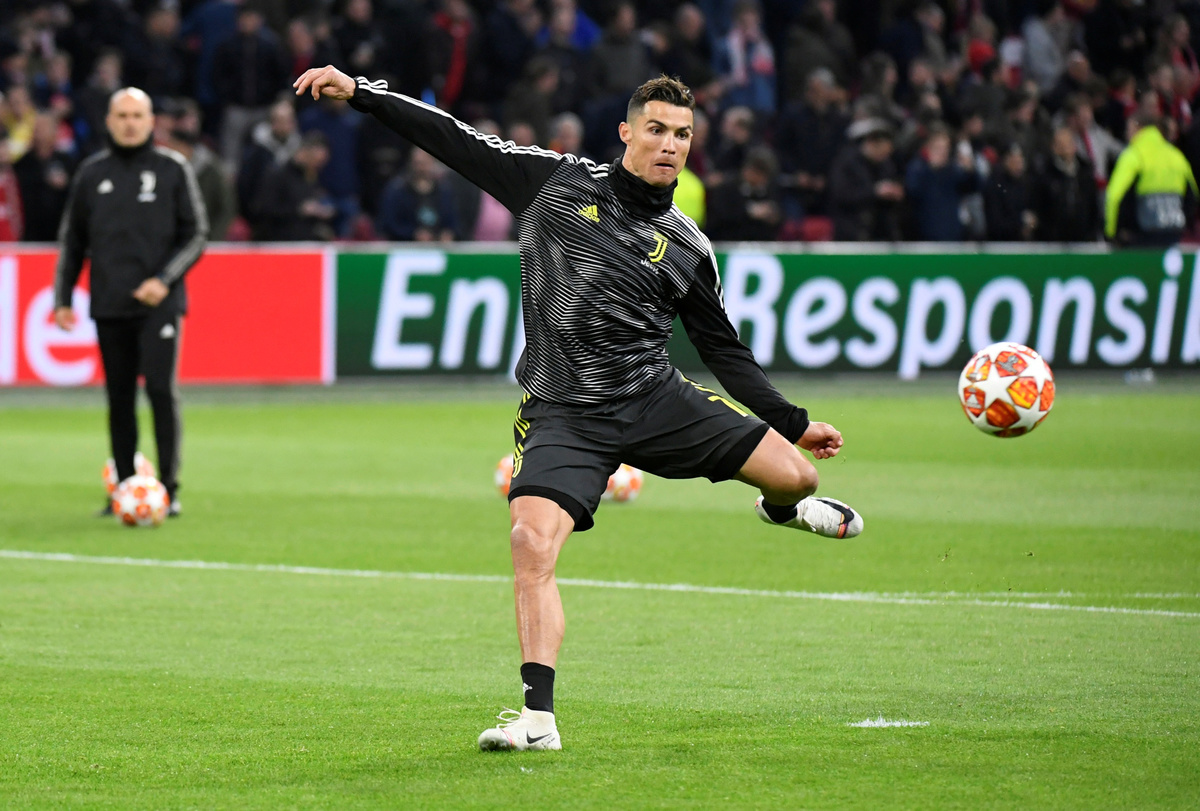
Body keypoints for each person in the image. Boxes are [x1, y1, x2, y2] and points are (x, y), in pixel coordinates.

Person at [294, 65, 864, 752]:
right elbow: (454, 138)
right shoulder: (554, 184)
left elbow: (723, 350)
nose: (670, 144)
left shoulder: (688, 245)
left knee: (799, 477)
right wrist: (363, 93)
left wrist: (795, 422)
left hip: (654, 398)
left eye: (683, 134)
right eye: (656, 129)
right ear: (625, 132)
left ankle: (780, 509)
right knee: (529, 543)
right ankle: (538, 719)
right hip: (564, 413)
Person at [53, 87, 208, 516]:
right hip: (109, 301)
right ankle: (123, 486)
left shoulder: (172, 169)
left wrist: (164, 280)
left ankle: (169, 489)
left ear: (151, 121)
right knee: (119, 398)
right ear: (108, 121)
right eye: (121, 115)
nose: (129, 123)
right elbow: (73, 241)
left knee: (159, 390)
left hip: (160, 303)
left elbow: (196, 234)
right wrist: (63, 297)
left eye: (137, 116)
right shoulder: (92, 174)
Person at [1105, 110, 1198, 247]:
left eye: (1128, 129)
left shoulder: (1133, 156)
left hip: (1139, 238)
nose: (1126, 134)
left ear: (1137, 128)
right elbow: (1192, 196)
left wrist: (1111, 232)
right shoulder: (1177, 156)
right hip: (1173, 236)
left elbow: (1115, 196)